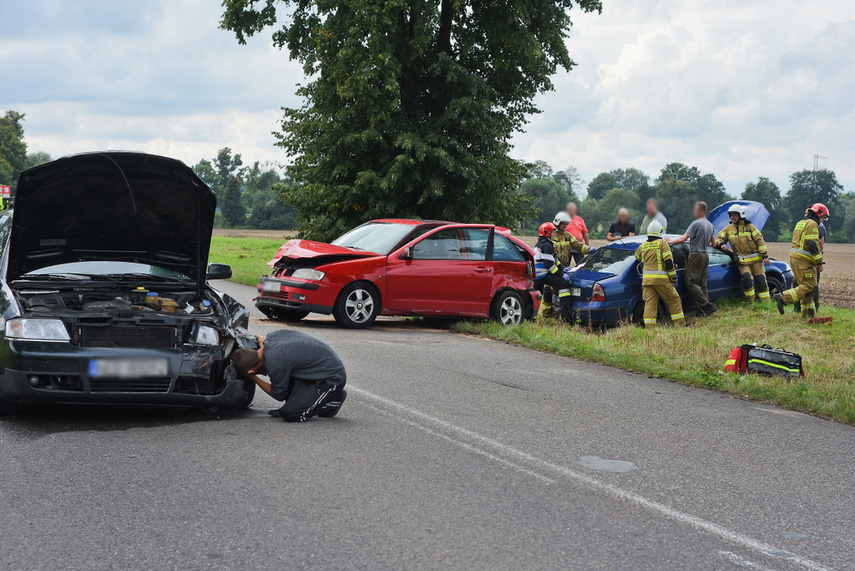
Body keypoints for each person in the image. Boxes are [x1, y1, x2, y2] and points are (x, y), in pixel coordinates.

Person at [231, 330, 347, 422]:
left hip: (332, 378)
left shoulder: (275, 363)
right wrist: (262, 345)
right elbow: (272, 351)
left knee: (291, 414)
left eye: (250, 373)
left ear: (250, 371)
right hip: (314, 371)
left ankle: (332, 400)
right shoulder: (271, 337)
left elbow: (279, 394)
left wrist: (253, 377)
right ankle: (306, 400)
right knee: (282, 375)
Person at [775, 203, 828, 318]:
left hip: (795, 258)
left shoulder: (801, 223)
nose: (822, 220)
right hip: (804, 260)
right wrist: (819, 263)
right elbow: (813, 245)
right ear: (818, 214)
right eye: (822, 217)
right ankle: (783, 298)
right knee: (809, 286)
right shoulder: (813, 224)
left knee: (805, 288)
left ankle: (808, 315)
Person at [534, 221, 592, 320]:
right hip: (542, 275)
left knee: (536, 295)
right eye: (552, 233)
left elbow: (555, 261)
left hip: (540, 275)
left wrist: (563, 269)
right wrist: (561, 274)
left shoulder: (544, 243)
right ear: (547, 233)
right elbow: (550, 266)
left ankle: (533, 316)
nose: (554, 235)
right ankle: (564, 307)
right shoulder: (547, 246)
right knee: (562, 283)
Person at [714, 204, 771, 302]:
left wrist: (765, 256)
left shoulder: (750, 227)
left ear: (741, 215)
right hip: (742, 262)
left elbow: (760, 241)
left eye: (734, 215)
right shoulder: (728, 229)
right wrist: (722, 244)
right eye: (731, 215)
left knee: (761, 280)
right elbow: (717, 239)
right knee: (747, 279)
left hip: (756, 261)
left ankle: (766, 303)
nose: (732, 217)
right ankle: (750, 302)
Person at [668, 202, 716, 316]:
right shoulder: (710, 225)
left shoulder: (695, 224)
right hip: (705, 255)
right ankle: (703, 311)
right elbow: (713, 243)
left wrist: (670, 242)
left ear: (700, 211)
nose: (694, 212)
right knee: (702, 283)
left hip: (695, 255)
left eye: (695, 210)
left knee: (690, 282)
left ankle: (706, 305)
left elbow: (683, 239)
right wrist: (703, 242)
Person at [634, 220, 685, 327]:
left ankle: (650, 329)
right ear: (659, 232)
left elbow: (637, 257)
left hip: (647, 281)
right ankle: (680, 325)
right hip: (661, 280)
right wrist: (673, 278)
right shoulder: (662, 243)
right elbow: (668, 263)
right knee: (674, 300)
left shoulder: (643, 246)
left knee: (650, 304)